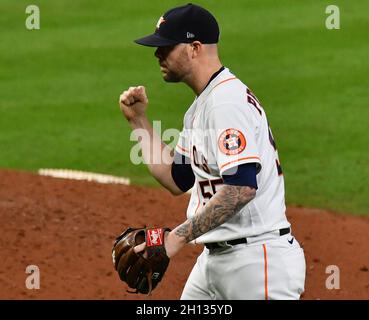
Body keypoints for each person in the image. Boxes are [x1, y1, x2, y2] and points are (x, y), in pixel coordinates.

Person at [119, 3, 306, 300]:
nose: (158, 54)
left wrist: (174, 239)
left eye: (166, 46)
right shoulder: (201, 106)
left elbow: (242, 188)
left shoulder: (225, 102)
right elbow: (176, 178)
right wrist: (139, 122)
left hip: (256, 263)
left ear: (194, 48)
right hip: (214, 263)